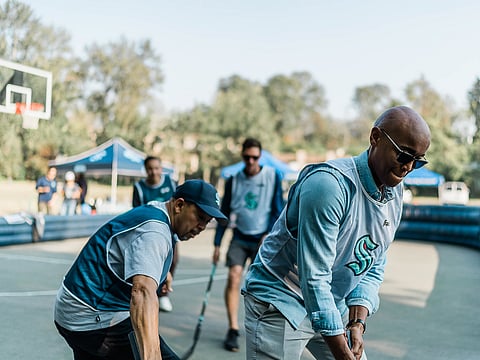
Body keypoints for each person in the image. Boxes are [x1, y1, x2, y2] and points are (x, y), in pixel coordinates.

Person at [242, 106, 431, 360]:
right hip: (281, 297)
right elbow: (314, 277)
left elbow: (374, 262)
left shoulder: (393, 190)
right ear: (375, 137)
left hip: (330, 300)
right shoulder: (329, 185)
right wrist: (340, 349)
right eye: (403, 155)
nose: (408, 166)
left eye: (418, 160)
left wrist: (357, 322)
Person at [54, 179, 228, 360]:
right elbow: (142, 293)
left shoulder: (158, 210)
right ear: (179, 205)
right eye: (199, 217)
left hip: (74, 306)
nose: (202, 227)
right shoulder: (154, 233)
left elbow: (137, 248)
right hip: (90, 314)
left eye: (207, 222)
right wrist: (151, 355)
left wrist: (160, 270)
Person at [212, 137, 284, 352]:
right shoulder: (234, 180)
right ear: (242, 156)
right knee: (234, 277)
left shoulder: (273, 176)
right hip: (240, 236)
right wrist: (217, 244)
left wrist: (269, 234)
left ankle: (260, 329)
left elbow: (278, 210)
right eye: (247, 157)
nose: (251, 161)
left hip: (263, 238)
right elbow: (223, 214)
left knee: (262, 288)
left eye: (255, 157)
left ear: (260, 156)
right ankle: (233, 328)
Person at [132, 155, 177, 312]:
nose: (153, 172)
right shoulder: (139, 188)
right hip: (150, 232)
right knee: (149, 263)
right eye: (150, 169)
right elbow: (136, 212)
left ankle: (163, 294)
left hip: (170, 229)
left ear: (161, 169)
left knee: (173, 260)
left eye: (156, 168)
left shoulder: (170, 183)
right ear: (146, 170)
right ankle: (150, 294)